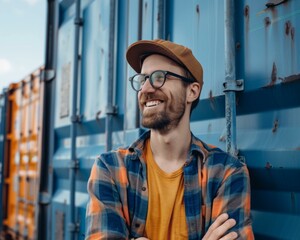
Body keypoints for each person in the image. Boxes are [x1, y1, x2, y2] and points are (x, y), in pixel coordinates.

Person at [85, 39, 254, 240]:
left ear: (192, 91)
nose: (145, 89)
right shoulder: (111, 169)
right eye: (142, 79)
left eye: (159, 77)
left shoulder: (226, 172)